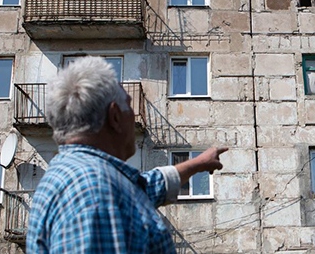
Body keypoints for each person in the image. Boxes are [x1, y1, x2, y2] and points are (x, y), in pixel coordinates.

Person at [26, 56, 226, 253]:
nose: (133, 113)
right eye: (129, 105)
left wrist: (198, 163)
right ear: (114, 116)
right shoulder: (96, 195)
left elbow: (142, 188)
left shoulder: (76, 173)